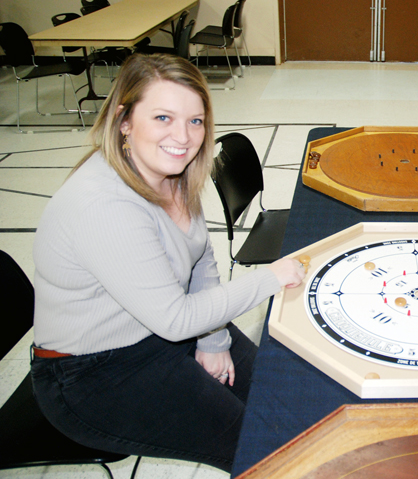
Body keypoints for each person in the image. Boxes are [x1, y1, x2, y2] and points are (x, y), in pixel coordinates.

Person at [30, 54, 307, 471]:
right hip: (90, 375)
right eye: (163, 117)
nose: (184, 136)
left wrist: (213, 340)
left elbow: (200, 259)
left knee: (281, 397)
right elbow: (177, 319)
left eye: (195, 121)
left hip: (158, 328)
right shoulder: (103, 205)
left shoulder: (172, 171)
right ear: (124, 120)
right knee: (253, 447)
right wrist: (270, 277)